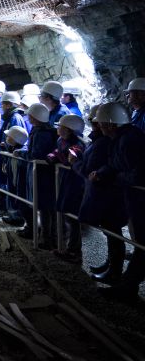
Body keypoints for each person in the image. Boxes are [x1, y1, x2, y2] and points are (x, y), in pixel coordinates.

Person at [92, 103, 145, 302]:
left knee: (142, 244)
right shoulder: (123, 137)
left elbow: (137, 175)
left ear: (111, 124)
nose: (100, 127)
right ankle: (126, 284)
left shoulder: (129, 141)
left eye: (102, 123)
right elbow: (116, 164)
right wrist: (104, 173)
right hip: (133, 198)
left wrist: (112, 178)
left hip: (139, 198)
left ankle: (127, 287)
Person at [74, 105, 127, 284]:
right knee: (111, 232)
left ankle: (115, 271)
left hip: (108, 193)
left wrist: (76, 163)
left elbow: (91, 169)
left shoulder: (104, 142)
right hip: (108, 192)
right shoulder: (103, 139)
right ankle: (112, 265)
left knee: (113, 231)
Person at [15, 103, 58, 244]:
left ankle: (45, 238)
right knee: (43, 205)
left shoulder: (42, 133)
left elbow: (37, 154)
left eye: (31, 115)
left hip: (41, 174)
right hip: (41, 173)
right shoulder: (42, 130)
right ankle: (44, 234)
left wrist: (22, 153)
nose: (28, 117)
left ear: (36, 117)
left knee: (44, 205)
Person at [47, 114, 86, 262]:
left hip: (75, 182)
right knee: (67, 214)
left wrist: (65, 157)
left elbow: (73, 158)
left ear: (69, 129)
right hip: (67, 180)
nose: (58, 128)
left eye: (61, 126)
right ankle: (69, 248)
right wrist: (53, 155)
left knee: (73, 216)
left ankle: (74, 251)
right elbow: (59, 151)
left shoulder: (78, 143)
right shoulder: (61, 140)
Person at [1, 126, 29, 226]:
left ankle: (18, 218)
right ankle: (14, 216)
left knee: (19, 197)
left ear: (15, 139)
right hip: (13, 178)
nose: (6, 137)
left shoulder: (20, 152)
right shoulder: (14, 148)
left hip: (18, 180)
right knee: (13, 195)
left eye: (9, 136)